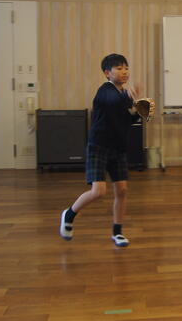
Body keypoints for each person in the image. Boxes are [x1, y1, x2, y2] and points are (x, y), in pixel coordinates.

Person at [59, 53, 155, 247]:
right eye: (119, 68)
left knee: (122, 190)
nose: (124, 72)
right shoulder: (105, 91)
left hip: (118, 147)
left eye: (126, 68)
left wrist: (139, 113)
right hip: (99, 146)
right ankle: (69, 214)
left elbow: (126, 120)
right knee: (98, 191)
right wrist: (130, 97)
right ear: (107, 73)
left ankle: (117, 232)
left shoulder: (124, 96)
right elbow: (112, 101)